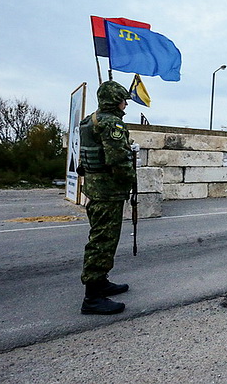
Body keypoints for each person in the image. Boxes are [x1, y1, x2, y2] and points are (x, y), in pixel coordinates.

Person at [78, 80, 135, 315]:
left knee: (101, 235)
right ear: (115, 101)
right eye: (124, 100)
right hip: (108, 191)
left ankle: (101, 282)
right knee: (103, 240)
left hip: (94, 187)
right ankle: (92, 297)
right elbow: (118, 160)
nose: (125, 105)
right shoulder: (111, 124)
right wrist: (130, 179)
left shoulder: (89, 121)